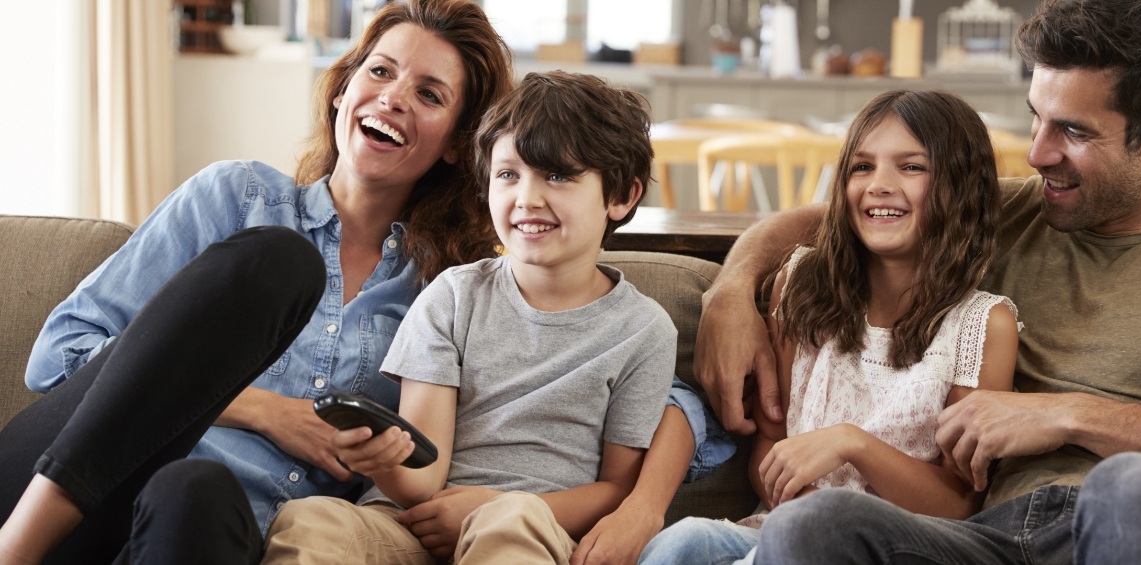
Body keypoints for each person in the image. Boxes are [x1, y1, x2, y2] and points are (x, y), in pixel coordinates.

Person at [693, 0, 1141, 563]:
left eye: (1072, 130)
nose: (1039, 151)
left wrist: (1069, 413)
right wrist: (734, 286)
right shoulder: (1014, 212)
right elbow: (831, 218)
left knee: (1133, 487)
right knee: (815, 524)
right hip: (998, 537)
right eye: (1037, 116)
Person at [0, 1, 513, 563]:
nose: (393, 97)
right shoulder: (238, 199)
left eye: (429, 94)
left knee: (197, 492)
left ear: (458, 145)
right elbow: (58, 355)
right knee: (282, 261)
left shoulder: (443, 292)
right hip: (76, 495)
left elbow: (435, 474)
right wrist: (265, 411)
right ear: (342, 90)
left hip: (208, 537)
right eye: (381, 71)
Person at [261, 70, 677, 564]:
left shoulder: (644, 330)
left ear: (621, 196)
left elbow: (617, 489)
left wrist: (495, 506)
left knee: (510, 522)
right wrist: (383, 458)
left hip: (534, 528)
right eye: (508, 174)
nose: (527, 197)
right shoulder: (454, 295)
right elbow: (423, 474)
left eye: (558, 175)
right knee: (312, 520)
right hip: (413, 526)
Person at [639, 89, 1020, 565]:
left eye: (911, 166)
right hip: (777, 533)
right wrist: (800, 510)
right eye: (862, 167)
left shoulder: (984, 326)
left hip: (888, 550)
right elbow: (770, 448)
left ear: (962, 187)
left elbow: (960, 504)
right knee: (683, 541)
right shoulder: (800, 285)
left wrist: (852, 444)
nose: (879, 184)